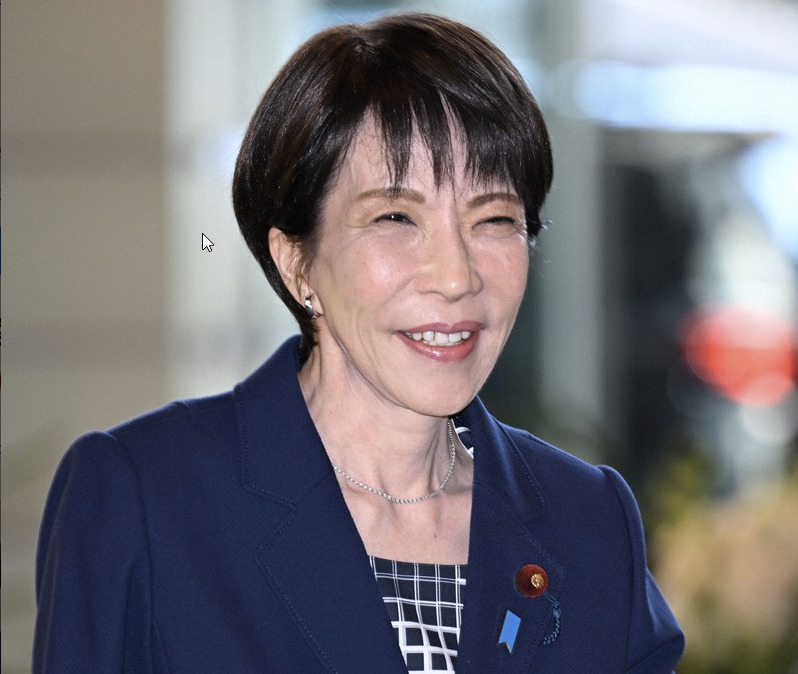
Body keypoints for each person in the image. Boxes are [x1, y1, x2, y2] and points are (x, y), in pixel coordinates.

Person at [33, 12, 684, 673]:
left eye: (493, 218)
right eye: (395, 217)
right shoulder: (148, 500)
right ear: (297, 263)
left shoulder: (588, 522)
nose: (456, 277)